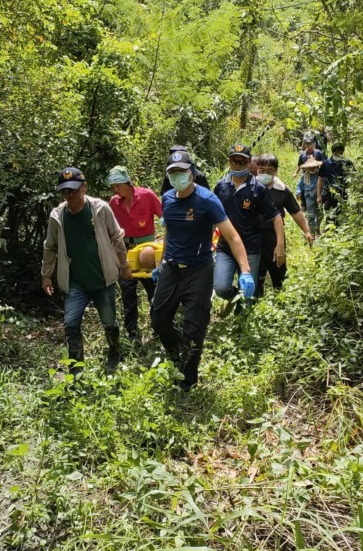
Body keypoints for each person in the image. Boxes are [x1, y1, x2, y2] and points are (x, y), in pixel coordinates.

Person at [151, 151, 254, 392]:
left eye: (182, 171)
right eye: (173, 172)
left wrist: (245, 271)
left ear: (192, 172)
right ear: (168, 175)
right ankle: (179, 353)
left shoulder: (207, 199)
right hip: (172, 269)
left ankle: (187, 381)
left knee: (194, 329)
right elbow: (170, 234)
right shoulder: (166, 198)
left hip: (199, 270)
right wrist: (161, 262)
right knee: (158, 320)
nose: (178, 176)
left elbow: (232, 236)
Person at [41, 167, 131, 375]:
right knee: (71, 324)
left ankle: (114, 352)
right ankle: (76, 369)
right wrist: (46, 275)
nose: (69, 195)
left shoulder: (100, 208)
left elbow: (116, 237)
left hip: (103, 279)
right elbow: (50, 246)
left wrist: (123, 266)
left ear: (84, 187)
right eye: (65, 192)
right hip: (75, 283)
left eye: (73, 190)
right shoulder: (58, 216)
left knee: (109, 322)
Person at [213, 144, 285, 310]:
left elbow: (276, 217)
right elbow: (212, 216)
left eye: (242, 162)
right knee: (221, 288)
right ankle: (232, 298)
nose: (238, 165)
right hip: (225, 248)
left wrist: (280, 245)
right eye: (234, 161)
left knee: (247, 296)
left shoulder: (257, 189)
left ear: (249, 162)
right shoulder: (220, 187)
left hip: (250, 247)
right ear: (229, 161)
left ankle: (242, 325)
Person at [108, 165, 162, 343]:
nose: (115, 190)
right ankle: (132, 333)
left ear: (127, 183)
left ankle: (159, 326)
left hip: (147, 252)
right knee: (128, 294)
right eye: (112, 187)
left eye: (117, 186)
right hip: (126, 254)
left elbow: (164, 217)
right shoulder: (113, 204)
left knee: (155, 291)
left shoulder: (147, 195)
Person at [256, 154, 314, 295]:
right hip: (253, 237)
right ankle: (253, 302)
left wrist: (306, 231)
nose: (264, 174)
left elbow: (295, 212)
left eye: (269, 171)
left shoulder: (281, 190)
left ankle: (281, 299)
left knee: (279, 272)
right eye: (261, 170)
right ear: (257, 170)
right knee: (255, 274)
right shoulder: (250, 188)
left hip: (275, 238)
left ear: (275, 171)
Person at [317, 143, 354, 222]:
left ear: (342, 152)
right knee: (329, 218)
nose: (338, 154)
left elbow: (353, 178)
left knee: (341, 216)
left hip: (343, 194)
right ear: (333, 152)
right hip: (328, 195)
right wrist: (318, 196)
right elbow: (320, 179)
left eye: (340, 152)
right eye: (337, 152)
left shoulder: (347, 163)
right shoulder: (326, 164)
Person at [296, 157, 323, 236]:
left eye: (313, 167)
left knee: (320, 213)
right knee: (311, 214)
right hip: (309, 196)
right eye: (310, 167)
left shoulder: (320, 174)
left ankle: (317, 227)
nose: (312, 169)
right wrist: (298, 192)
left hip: (319, 196)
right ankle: (311, 232)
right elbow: (299, 185)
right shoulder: (304, 176)